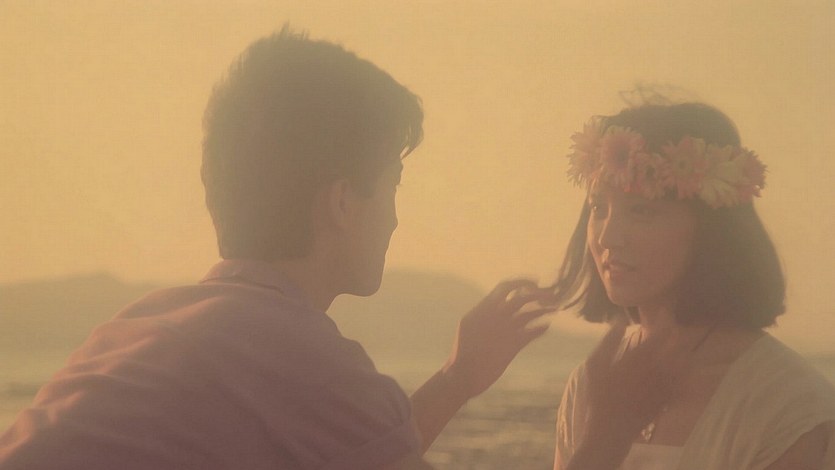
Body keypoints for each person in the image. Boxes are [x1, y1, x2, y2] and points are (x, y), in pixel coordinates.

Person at [0, 27, 555, 469]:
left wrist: (456, 380)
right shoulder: (310, 365)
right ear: (342, 202)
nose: (394, 220)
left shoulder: (137, 329)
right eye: (393, 187)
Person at [550, 102, 835, 469]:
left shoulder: (786, 403)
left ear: (710, 229)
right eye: (598, 208)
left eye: (641, 210)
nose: (608, 238)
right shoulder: (594, 385)